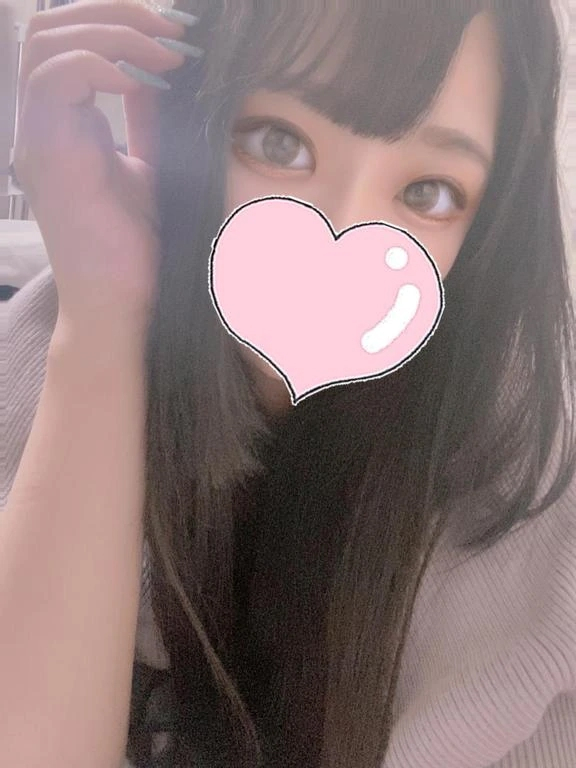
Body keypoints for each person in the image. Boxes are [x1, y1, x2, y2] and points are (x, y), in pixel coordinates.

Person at [2, 0, 576, 766]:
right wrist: (103, 320)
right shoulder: (56, 338)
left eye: (428, 193)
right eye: (279, 143)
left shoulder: (536, 512)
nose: (340, 228)